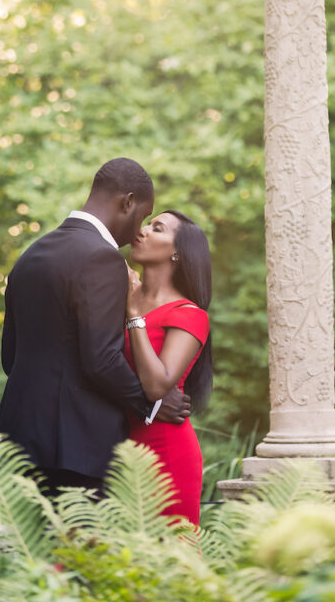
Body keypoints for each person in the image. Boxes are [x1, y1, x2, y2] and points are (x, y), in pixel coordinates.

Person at [0, 158, 190, 494]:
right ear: (127, 202)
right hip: (75, 453)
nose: (139, 229)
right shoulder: (102, 257)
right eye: (142, 215)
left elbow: (10, 359)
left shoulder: (30, 256)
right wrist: (152, 404)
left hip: (16, 446)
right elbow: (101, 359)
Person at [124, 209, 212, 525]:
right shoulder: (115, 297)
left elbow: (157, 385)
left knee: (171, 558)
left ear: (178, 252)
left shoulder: (189, 314)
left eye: (157, 228)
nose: (143, 230)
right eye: (147, 223)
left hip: (165, 450)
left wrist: (133, 313)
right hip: (114, 445)